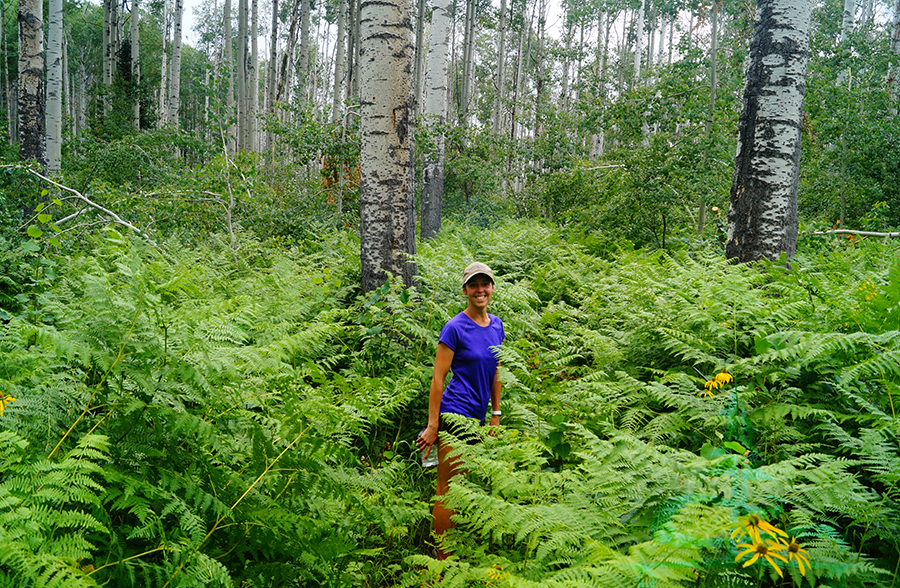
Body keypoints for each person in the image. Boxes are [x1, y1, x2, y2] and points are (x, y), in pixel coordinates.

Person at [415, 262, 505, 560]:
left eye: (485, 283)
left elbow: (496, 370)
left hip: (478, 419)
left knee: (461, 484)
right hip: (455, 415)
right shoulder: (455, 328)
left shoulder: (497, 325)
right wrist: (433, 425)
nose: (480, 289)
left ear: (492, 288)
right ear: (465, 290)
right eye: (474, 284)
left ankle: (452, 547)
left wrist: (496, 413)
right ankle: (443, 561)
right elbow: (438, 378)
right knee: (448, 488)